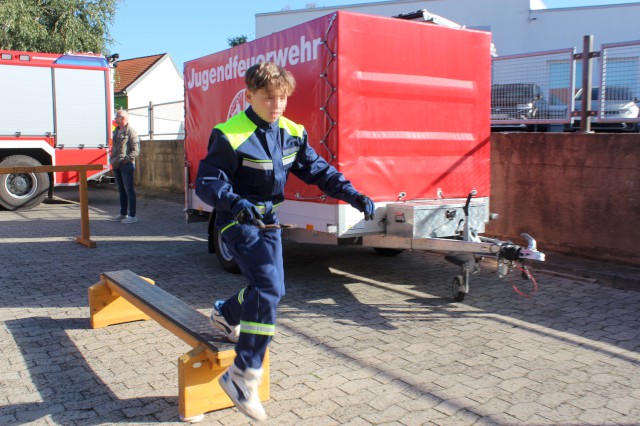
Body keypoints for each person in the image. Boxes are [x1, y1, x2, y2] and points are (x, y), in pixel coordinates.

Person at [195, 61, 374, 421]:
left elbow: (317, 170)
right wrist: (236, 204)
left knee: (270, 290)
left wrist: (351, 194)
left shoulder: (292, 132)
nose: (275, 106)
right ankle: (243, 375)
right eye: (267, 98)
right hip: (236, 221)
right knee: (270, 288)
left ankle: (225, 313)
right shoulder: (229, 134)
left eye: (281, 98)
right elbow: (208, 183)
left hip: (268, 219)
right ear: (250, 96)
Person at [110, 109, 140, 223]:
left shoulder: (131, 132)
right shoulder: (116, 131)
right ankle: (123, 213)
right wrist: (112, 159)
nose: (115, 118)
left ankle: (132, 216)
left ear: (123, 118)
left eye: (117, 116)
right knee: (121, 190)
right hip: (116, 164)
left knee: (129, 190)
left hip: (126, 165)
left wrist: (126, 160)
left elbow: (136, 150)